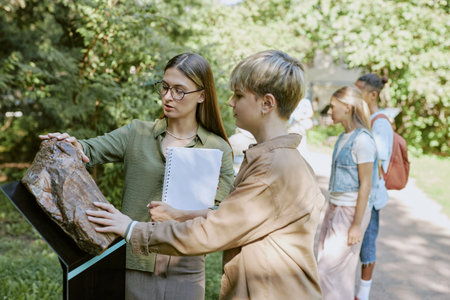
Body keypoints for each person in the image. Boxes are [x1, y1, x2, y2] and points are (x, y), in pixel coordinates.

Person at [86, 50, 326, 299]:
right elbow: (231, 216)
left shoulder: (272, 168)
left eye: (239, 95)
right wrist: (180, 214)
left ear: (267, 103)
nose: (231, 102)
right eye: (165, 87)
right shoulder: (277, 160)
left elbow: (213, 230)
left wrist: (132, 229)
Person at [39, 53, 235, 300]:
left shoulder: (218, 148)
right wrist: (71, 144)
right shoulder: (137, 133)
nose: (167, 97)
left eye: (179, 91)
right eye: (164, 87)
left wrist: (178, 213)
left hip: (186, 265)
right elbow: (89, 149)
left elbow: (221, 213)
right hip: (134, 260)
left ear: (202, 95)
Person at [317, 86, 376, 300]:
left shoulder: (363, 141)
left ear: (348, 107)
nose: (330, 111)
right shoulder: (343, 137)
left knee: (326, 270)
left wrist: (356, 224)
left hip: (350, 212)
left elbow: (366, 184)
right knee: (332, 271)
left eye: (333, 107)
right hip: (334, 207)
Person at [355, 74, 393, 300]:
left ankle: (363, 295)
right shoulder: (365, 119)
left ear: (372, 95)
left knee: (367, 245)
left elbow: (378, 163)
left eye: (358, 91)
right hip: (359, 194)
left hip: (371, 197)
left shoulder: (380, 123)